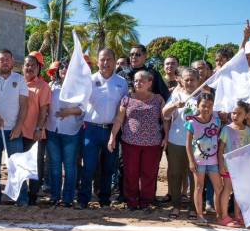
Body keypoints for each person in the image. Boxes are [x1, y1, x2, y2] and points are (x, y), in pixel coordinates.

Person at [108, 70, 166, 211]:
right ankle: (132, 201)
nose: (137, 83)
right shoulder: (127, 98)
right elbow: (119, 119)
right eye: (135, 80)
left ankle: (146, 201)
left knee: (149, 173)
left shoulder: (158, 99)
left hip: (153, 144)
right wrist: (112, 137)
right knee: (131, 173)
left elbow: (165, 120)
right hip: (130, 143)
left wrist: (166, 136)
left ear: (149, 82)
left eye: (141, 80)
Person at [78, 48, 129, 209]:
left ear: (114, 62)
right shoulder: (89, 80)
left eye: (109, 59)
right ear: (97, 61)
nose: (105, 63)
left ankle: (105, 199)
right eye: (102, 59)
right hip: (91, 130)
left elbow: (124, 107)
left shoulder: (122, 83)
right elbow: (79, 103)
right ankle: (83, 199)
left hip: (111, 131)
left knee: (108, 168)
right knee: (89, 167)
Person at [0, 49, 29, 206]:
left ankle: (21, 198)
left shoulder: (20, 79)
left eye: (8, 59)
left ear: (12, 61)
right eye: (2, 59)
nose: (5, 62)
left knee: (17, 167)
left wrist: (18, 126)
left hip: (14, 131)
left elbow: (24, 105)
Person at [162, 68, 199, 216]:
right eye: (187, 79)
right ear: (181, 81)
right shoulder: (176, 95)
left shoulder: (203, 96)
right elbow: (164, 114)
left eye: (192, 79)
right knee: (175, 174)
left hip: (198, 144)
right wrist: (174, 106)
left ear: (198, 80)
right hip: (176, 140)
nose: (190, 82)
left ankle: (194, 207)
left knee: (195, 176)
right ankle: (176, 205)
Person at [45, 61, 82, 207]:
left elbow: (84, 108)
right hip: (52, 130)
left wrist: (68, 112)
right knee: (54, 165)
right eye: (62, 67)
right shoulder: (51, 86)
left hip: (70, 131)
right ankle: (54, 196)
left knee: (69, 166)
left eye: (68, 67)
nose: (64, 70)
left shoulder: (79, 87)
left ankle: (67, 198)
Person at [185, 93, 223, 225]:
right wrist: (191, 161)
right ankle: (200, 215)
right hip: (198, 161)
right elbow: (188, 144)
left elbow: (217, 141)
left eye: (210, 106)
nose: (206, 109)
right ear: (198, 106)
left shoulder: (216, 121)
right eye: (203, 106)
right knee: (199, 187)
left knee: (219, 187)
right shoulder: (192, 122)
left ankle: (219, 214)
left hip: (213, 161)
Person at [217, 101, 250, 227]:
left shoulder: (249, 132)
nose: (235, 116)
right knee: (227, 190)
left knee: (239, 192)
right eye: (234, 113)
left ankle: (238, 216)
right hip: (229, 167)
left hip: (242, 169)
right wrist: (221, 165)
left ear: (246, 116)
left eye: (239, 113)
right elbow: (221, 149)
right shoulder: (226, 129)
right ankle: (224, 216)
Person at [21, 53, 51, 206]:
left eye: (33, 65)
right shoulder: (18, 82)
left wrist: (39, 128)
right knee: (19, 164)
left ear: (39, 68)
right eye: (27, 64)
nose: (30, 67)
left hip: (34, 132)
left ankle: (32, 195)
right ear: (22, 67)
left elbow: (44, 110)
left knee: (34, 165)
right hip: (17, 131)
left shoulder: (43, 86)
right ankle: (20, 195)